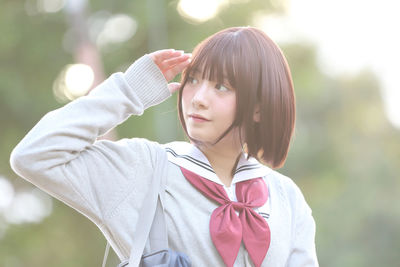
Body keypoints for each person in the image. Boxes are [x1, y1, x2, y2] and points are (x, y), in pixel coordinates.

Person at [10, 26, 318, 266]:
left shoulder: (285, 198)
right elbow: (34, 155)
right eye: (194, 79)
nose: (197, 97)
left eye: (221, 86)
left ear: (259, 109)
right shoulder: (142, 169)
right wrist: (129, 91)